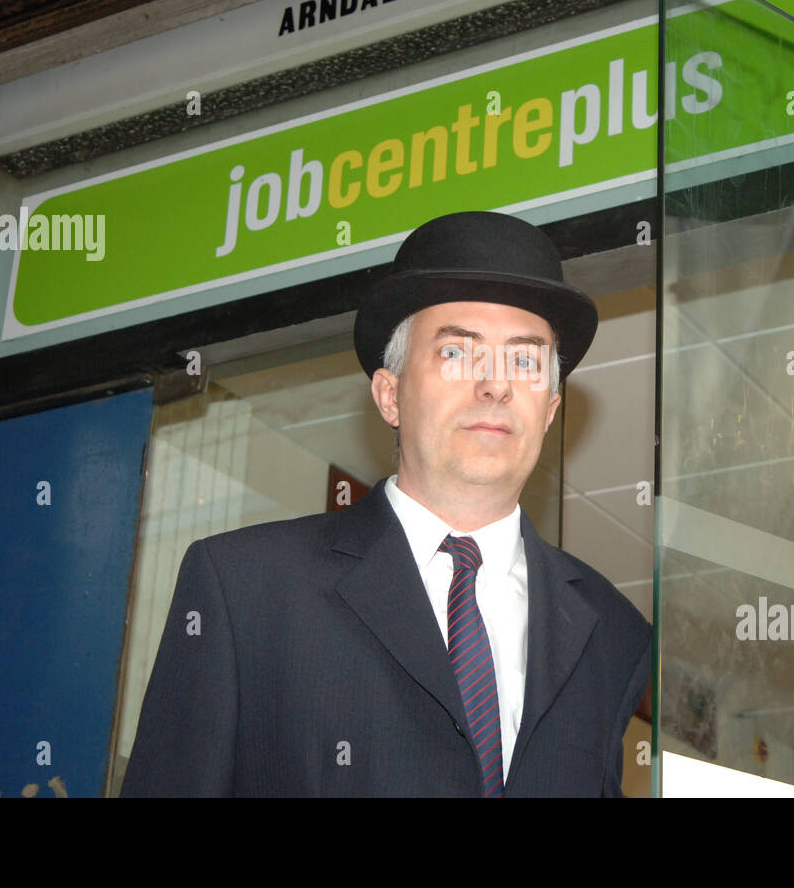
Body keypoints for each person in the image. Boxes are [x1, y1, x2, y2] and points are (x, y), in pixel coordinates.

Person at [121, 210, 652, 797]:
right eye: (457, 353)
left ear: (549, 411)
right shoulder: (244, 589)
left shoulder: (614, 634)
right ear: (390, 395)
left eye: (524, 361)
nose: (496, 385)